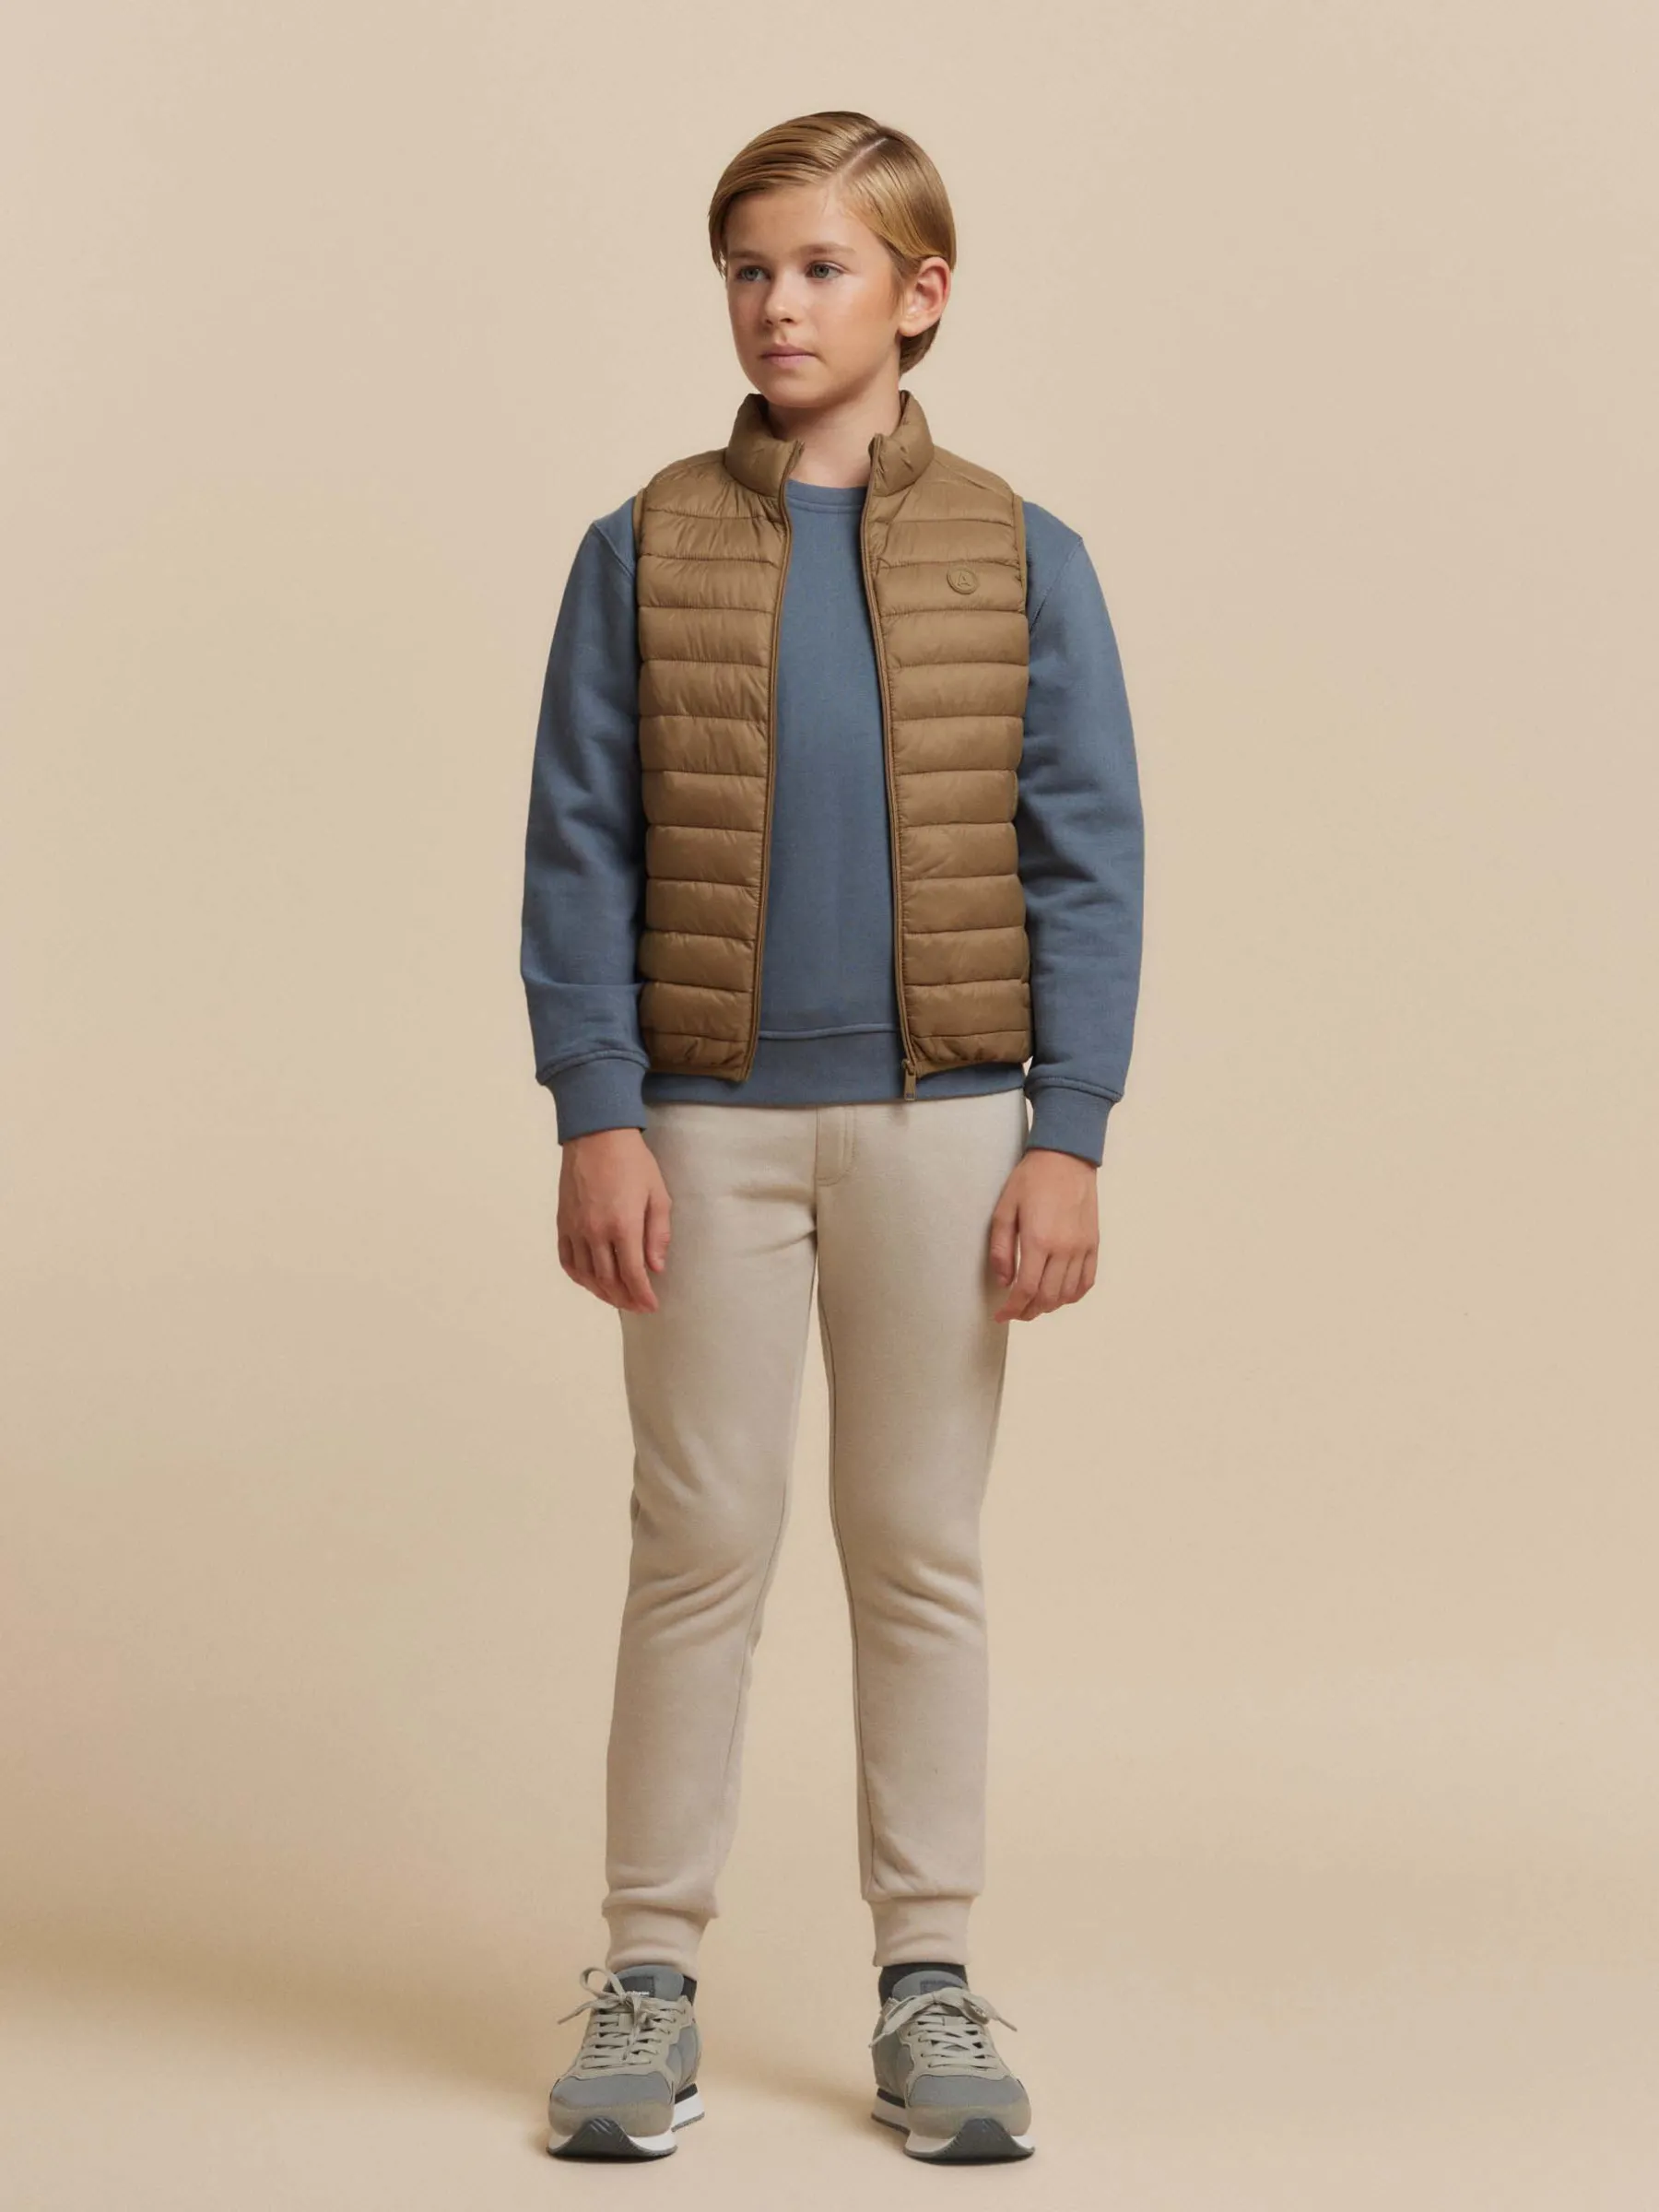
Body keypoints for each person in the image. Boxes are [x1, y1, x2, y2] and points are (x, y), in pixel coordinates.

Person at [521, 109, 1144, 2164]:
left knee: (918, 1548)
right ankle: (647, 1971)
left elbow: (1086, 860)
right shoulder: (642, 547)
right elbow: (581, 848)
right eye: (748, 269)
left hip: (947, 1127)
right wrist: (599, 1112)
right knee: (696, 1543)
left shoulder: (1022, 554)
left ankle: (929, 1978)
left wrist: (1070, 1136)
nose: (777, 305)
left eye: (820, 268)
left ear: (920, 295)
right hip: (703, 1125)